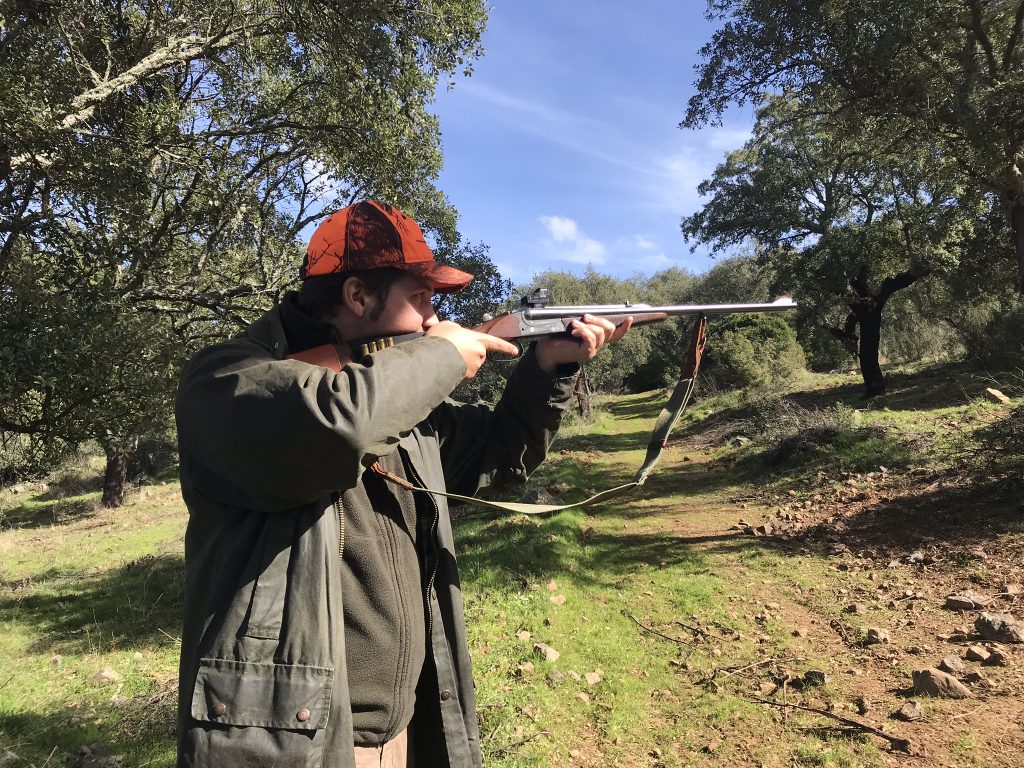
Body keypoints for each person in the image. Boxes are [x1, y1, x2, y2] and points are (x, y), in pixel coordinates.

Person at [174, 200, 630, 768]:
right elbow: (343, 425)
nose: (431, 315)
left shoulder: (393, 387)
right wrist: (444, 356)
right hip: (294, 738)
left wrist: (548, 368)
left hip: (404, 728)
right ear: (358, 296)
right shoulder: (227, 378)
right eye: (419, 297)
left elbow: (497, 455)